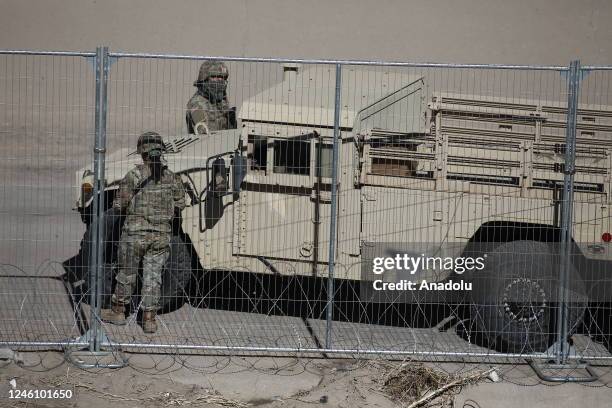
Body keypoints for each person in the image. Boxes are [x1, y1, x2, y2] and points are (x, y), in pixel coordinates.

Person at [101, 131, 186, 333]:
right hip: (160, 237)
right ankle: (149, 320)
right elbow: (181, 204)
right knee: (153, 277)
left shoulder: (134, 176)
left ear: (142, 153)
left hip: (134, 236)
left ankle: (119, 312)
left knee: (126, 274)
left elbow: (120, 205)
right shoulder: (172, 178)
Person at [186, 60, 236, 134]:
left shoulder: (220, 100)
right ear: (204, 78)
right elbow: (204, 136)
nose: (220, 80)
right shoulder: (197, 104)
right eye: (215, 77)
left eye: (223, 77)